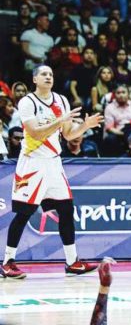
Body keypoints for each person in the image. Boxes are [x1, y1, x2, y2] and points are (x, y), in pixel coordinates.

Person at [1, 65, 104, 279]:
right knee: (24, 214)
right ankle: (8, 262)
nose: (49, 77)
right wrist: (60, 120)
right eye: (44, 74)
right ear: (35, 79)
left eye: (51, 74)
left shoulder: (61, 101)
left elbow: (67, 135)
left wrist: (85, 125)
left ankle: (72, 262)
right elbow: (36, 134)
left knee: (66, 210)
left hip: (54, 163)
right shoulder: (27, 102)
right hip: (32, 163)